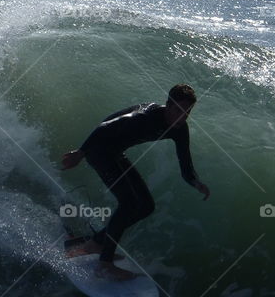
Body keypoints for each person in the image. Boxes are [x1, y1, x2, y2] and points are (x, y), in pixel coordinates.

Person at [61, 84, 210, 281]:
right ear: (168, 105)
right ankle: (105, 264)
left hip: (115, 154)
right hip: (99, 151)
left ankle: (96, 243)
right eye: (178, 110)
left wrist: (195, 182)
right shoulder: (145, 117)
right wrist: (80, 153)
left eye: (188, 111)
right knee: (128, 203)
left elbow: (185, 163)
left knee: (146, 206)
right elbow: (104, 128)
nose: (183, 116)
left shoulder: (180, 129)